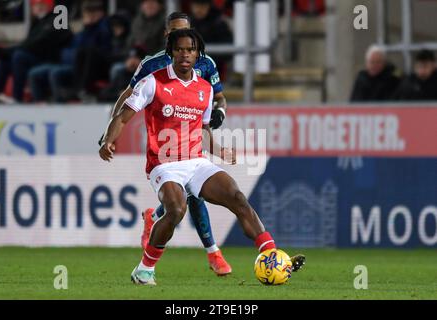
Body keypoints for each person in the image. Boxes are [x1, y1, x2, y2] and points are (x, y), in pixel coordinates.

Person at [99, 29, 306, 285]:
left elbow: (203, 129)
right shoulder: (153, 82)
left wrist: (219, 151)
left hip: (196, 162)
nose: (185, 54)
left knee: (237, 197)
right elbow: (123, 115)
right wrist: (109, 139)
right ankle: (144, 270)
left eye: (190, 49)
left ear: (198, 54)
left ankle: (271, 254)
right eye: (179, 49)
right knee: (176, 209)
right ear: (171, 52)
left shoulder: (205, 89)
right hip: (163, 164)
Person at [100, 12, 231, 276]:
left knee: (192, 193)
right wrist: (108, 134)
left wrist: (220, 112)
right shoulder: (152, 65)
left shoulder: (205, 62)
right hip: (165, 140)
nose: (182, 44)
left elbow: (219, 97)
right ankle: (213, 253)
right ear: (166, 37)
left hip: (193, 135)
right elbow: (128, 96)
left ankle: (157, 218)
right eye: (173, 35)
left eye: (184, 33)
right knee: (188, 196)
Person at [0, 0, 72, 103]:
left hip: (49, 58)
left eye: (42, 4)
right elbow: (29, 42)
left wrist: (10, 51)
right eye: (36, 5)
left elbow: (41, 42)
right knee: (5, 59)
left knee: (18, 56)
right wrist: (7, 52)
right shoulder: (37, 22)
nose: (39, 8)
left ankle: (17, 97)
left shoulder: (56, 20)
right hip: (36, 57)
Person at [28, 0, 111, 102]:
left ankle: (60, 103)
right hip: (70, 63)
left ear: (101, 14)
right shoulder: (82, 32)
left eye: (93, 13)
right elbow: (71, 49)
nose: (90, 16)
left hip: (90, 67)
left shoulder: (104, 28)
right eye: (87, 13)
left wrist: (91, 26)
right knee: (34, 73)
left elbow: (93, 50)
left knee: (55, 73)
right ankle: (39, 103)